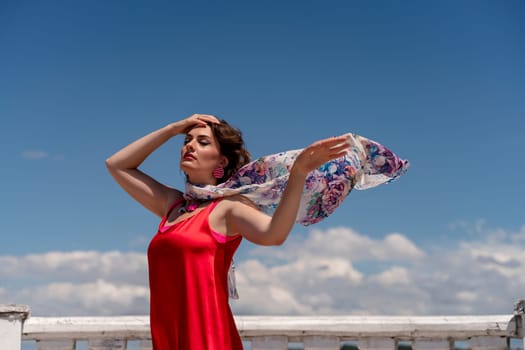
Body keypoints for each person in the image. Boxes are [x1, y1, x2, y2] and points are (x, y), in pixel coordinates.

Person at [105, 114, 355, 350]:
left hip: (208, 339)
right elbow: (117, 165)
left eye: (202, 142)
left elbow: (273, 235)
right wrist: (173, 129)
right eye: (186, 141)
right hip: (168, 338)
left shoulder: (227, 208)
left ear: (221, 161)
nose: (190, 146)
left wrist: (298, 173)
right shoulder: (173, 205)